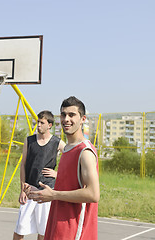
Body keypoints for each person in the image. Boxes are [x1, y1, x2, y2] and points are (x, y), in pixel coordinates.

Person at [26, 96, 100, 240]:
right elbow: (67, 186)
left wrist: (54, 195)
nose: (66, 119)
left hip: (74, 232)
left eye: (72, 115)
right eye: (63, 114)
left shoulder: (85, 152)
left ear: (83, 119)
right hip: (57, 225)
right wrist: (41, 192)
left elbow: (93, 194)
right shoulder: (66, 149)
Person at [13, 111, 65, 240]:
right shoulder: (29, 140)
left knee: (43, 232)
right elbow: (23, 165)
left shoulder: (57, 142)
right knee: (20, 228)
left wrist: (58, 174)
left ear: (50, 125)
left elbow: (73, 160)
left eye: (42, 123)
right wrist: (22, 189)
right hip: (29, 190)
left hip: (46, 192)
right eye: (38, 122)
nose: (39, 125)